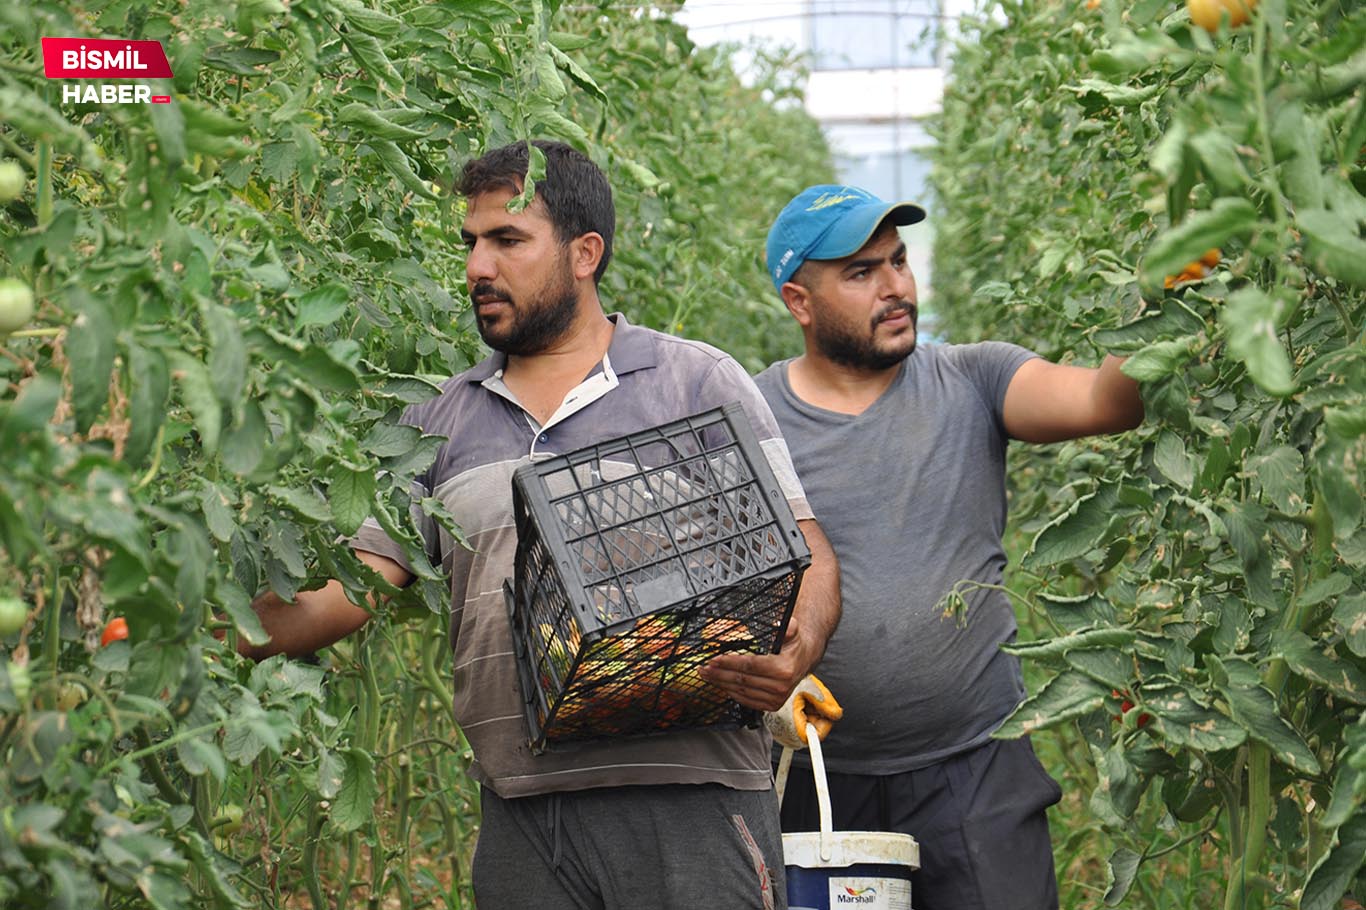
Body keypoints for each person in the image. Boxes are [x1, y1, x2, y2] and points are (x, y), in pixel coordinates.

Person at [240, 141, 840, 910]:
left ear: (584, 253)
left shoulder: (695, 384)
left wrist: (797, 649)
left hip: (691, 798)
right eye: (471, 243)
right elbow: (344, 593)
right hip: (525, 817)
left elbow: (807, 554)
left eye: (507, 241)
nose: (477, 268)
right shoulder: (437, 422)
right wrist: (186, 619)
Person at [754, 185, 1144, 910]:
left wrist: (1163, 284)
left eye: (898, 261)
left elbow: (1106, 402)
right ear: (799, 302)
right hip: (816, 783)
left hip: (977, 773)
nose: (896, 286)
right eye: (861, 273)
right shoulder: (753, 420)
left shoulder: (973, 380)